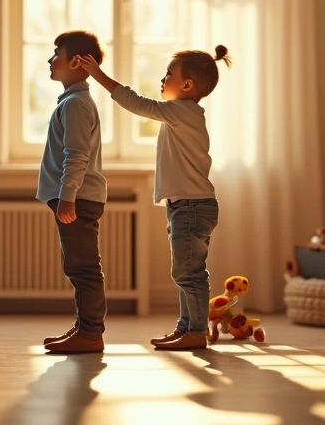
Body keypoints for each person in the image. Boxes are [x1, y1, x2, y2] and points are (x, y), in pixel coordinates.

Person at [76, 45, 232, 350]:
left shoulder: (182, 111)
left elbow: (136, 103)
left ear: (187, 85)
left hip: (191, 207)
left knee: (188, 273)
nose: (162, 79)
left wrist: (98, 75)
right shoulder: (181, 114)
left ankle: (196, 332)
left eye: (168, 74)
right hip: (185, 206)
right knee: (186, 271)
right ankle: (186, 327)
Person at [38, 30, 109, 354]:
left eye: (57, 53)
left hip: (78, 199)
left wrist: (68, 195)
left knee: (83, 268)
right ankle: (85, 327)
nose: (51, 60)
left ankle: (91, 332)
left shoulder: (77, 104)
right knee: (77, 266)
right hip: (76, 197)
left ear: (77, 62)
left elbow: (76, 153)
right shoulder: (72, 101)